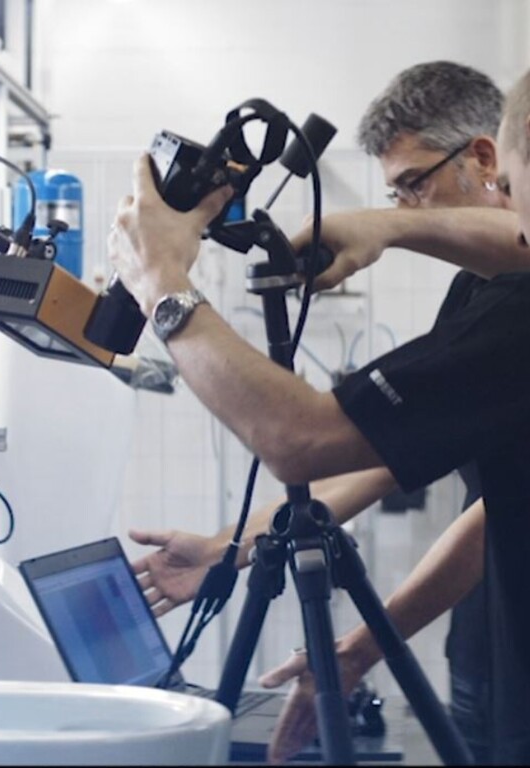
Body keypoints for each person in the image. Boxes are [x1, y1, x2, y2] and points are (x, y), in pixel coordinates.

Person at [107, 63, 530, 766]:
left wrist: (162, 283)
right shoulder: (485, 294)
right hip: (490, 655)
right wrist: (231, 545)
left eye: (514, 186)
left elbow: (302, 439)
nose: (511, 210)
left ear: (495, 163)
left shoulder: (516, 313)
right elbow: (388, 461)